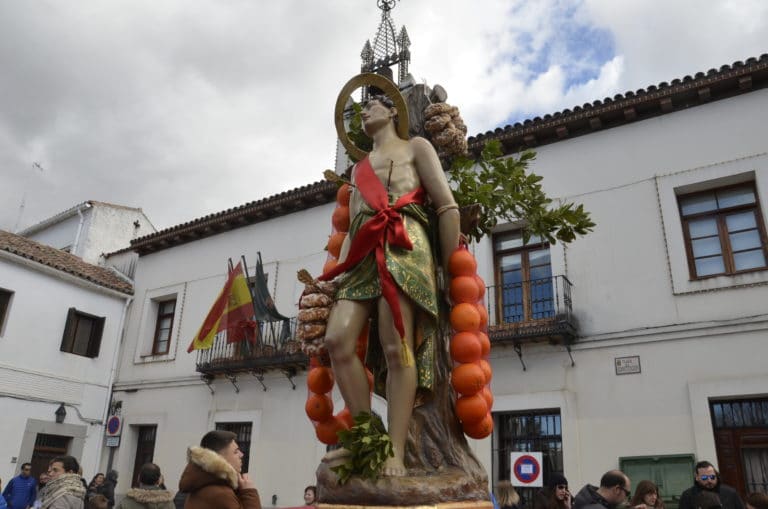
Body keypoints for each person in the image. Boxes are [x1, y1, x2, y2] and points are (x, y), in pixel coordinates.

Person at [319, 91, 460, 477]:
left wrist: (448, 268)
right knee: (337, 340)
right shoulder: (357, 168)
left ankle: (395, 451)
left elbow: (446, 205)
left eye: (372, 105)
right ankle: (370, 438)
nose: (364, 112)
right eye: (362, 108)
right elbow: (352, 225)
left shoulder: (418, 146)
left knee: (398, 346)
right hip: (363, 254)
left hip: (405, 245)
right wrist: (338, 274)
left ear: (393, 110)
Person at [178, 430, 261, 509]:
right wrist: (249, 492)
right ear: (219, 459)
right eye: (235, 452)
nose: (241, 454)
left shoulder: (205, 485)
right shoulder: (220, 494)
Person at [678, 461, 744, 509]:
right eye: (704, 478)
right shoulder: (688, 495)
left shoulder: (730, 493)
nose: (709, 480)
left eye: (712, 477)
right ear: (697, 478)